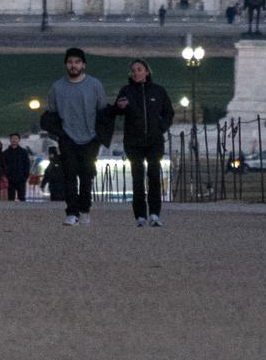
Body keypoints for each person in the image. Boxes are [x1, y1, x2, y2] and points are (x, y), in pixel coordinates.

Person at [113, 59, 176, 227]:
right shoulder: (126, 91)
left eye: (139, 69)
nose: (135, 73)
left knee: (154, 176)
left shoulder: (158, 91)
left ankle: (155, 214)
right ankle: (140, 216)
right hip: (134, 141)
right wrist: (120, 106)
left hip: (154, 141)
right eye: (133, 70)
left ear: (147, 72)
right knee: (137, 178)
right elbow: (116, 110)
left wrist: (160, 127)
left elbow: (169, 112)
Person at [49, 46, 106, 225]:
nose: (73, 65)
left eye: (77, 62)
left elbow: (102, 111)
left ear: (84, 65)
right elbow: (51, 112)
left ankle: (85, 208)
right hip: (67, 137)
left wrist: (99, 136)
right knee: (70, 174)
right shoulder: (57, 87)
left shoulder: (95, 85)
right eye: (70, 62)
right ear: (66, 65)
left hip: (90, 138)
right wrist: (58, 133)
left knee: (87, 175)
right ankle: (72, 212)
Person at [1, 135, 33, 203]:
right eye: (12, 138)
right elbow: (3, 165)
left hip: (21, 179)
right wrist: (6, 175)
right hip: (10, 179)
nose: (14, 140)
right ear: (10, 140)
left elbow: (27, 165)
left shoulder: (23, 152)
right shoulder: (6, 153)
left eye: (16, 138)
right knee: (10, 198)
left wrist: (25, 176)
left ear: (19, 140)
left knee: (22, 198)